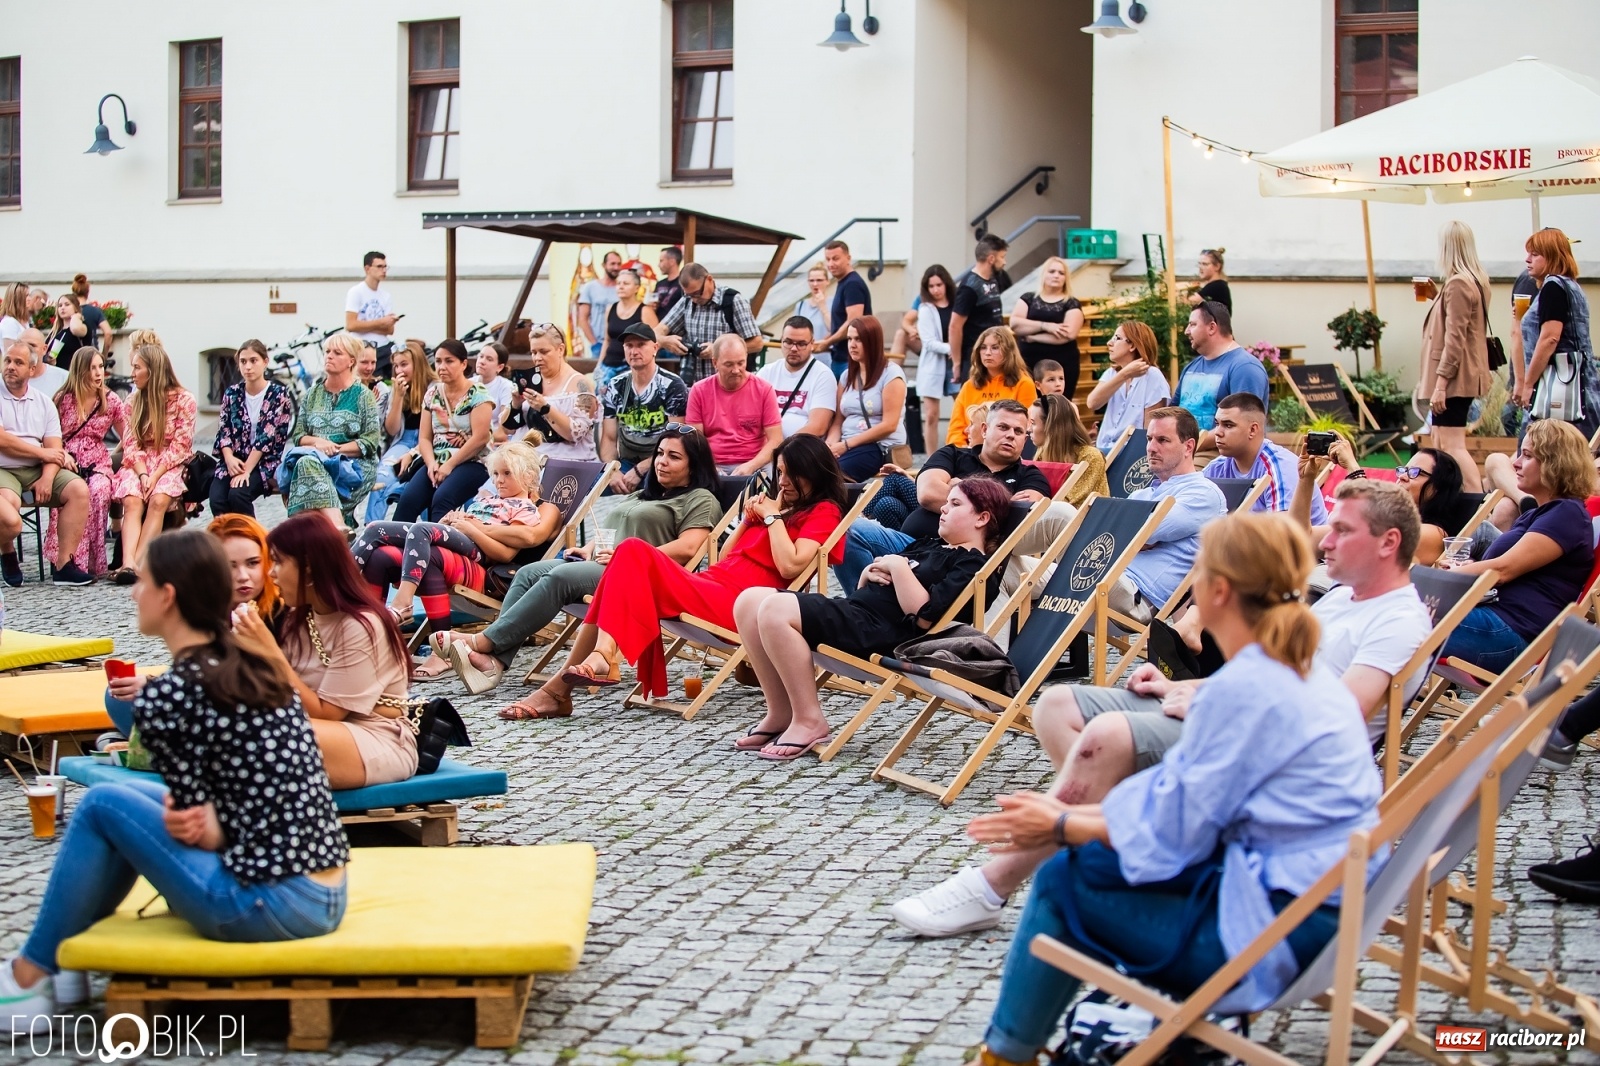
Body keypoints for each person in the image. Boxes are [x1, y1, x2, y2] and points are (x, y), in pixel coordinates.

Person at [929, 514, 1381, 1062]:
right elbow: (1179, 805)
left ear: (1219, 590)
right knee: (1088, 861)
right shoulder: (1291, 672)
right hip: (1319, 909)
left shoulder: (1250, 688)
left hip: (1276, 937)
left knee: (1062, 881)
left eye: (1198, 569)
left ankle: (1004, 1054)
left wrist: (1061, 824)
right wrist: (1072, 823)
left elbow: (1174, 829)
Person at [892, 482, 1427, 940]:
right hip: (1231, 708)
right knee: (1056, 704)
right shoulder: (1340, 597)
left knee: (1108, 735)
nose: (1325, 540)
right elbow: (1268, 671)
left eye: (1342, 531)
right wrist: (1197, 687)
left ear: (1389, 543)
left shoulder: (1397, 619)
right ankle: (1117, 839)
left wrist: (1210, 697)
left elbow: (1342, 712)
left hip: (1268, 746)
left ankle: (993, 885)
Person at [0, 530, 348, 1037]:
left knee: (102, 805)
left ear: (167, 597)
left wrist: (186, 820)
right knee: (124, 802)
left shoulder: (170, 696)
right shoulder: (254, 668)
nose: (132, 593)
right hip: (323, 892)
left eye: (140, 582)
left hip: (267, 906)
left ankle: (30, 973)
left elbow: (198, 831)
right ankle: (65, 960)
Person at [520, 434, 849, 714]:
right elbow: (726, 555)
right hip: (712, 584)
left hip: (743, 605)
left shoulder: (824, 511)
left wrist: (773, 518)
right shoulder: (779, 506)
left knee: (632, 550)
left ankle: (576, 677)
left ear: (814, 474)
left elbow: (791, 565)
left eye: (793, 475)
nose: (783, 482)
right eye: (779, 472)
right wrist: (751, 519)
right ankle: (575, 677)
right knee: (629, 554)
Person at [733, 476, 1012, 761]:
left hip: (890, 635)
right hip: (859, 614)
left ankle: (809, 720)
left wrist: (898, 567)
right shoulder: (929, 545)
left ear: (982, 518)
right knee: (748, 601)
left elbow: (926, 619)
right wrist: (869, 573)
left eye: (955, 504)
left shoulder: (974, 566)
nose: (943, 508)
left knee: (775, 610)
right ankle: (780, 713)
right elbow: (879, 578)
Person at [456, 427, 722, 706]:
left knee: (559, 577)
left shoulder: (700, 499)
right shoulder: (645, 494)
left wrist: (628, 556)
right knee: (527, 573)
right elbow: (612, 530)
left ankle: (485, 642)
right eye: (659, 453)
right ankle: (497, 660)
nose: (661, 461)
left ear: (694, 464)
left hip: (637, 578)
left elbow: (689, 548)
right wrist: (587, 549)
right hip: (602, 565)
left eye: (673, 457)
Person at [231, 513, 416, 789]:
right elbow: (274, 692)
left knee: (264, 733)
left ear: (308, 568)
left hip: (376, 737)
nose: (271, 573)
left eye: (278, 562)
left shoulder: (362, 625)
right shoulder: (299, 618)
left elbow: (328, 713)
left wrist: (269, 653)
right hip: (315, 730)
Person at [355, 441, 561, 674]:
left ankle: (404, 608)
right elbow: (467, 522)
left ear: (528, 475)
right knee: (380, 549)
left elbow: (509, 551)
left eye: (507, 473)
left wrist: (471, 528)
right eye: (495, 474)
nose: (499, 480)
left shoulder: (529, 508)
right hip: (458, 549)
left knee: (420, 532)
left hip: (482, 565)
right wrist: (449, 524)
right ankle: (366, 632)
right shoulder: (488, 500)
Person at [836, 400, 1054, 591]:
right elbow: (928, 494)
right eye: (1003, 427)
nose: (1010, 435)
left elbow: (1018, 520)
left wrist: (955, 488)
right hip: (912, 544)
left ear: (1025, 439)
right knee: (848, 529)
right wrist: (993, 502)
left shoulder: (1031, 476)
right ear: (985, 430)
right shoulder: (953, 454)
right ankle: (862, 606)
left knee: (882, 503)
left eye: (1018, 432)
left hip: (958, 559)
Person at [1438, 419, 1596, 673]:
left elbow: (1503, 570)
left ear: (1555, 464)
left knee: (1396, 615)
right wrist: (1467, 567)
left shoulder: (1567, 514)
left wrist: (1446, 577)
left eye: (1528, 455)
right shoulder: (1538, 514)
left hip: (1508, 634)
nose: (1516, 463)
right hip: (1493, 622)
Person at [1115, 407, 1228, 622]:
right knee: (1028, 568)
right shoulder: (1143, 493)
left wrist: (1133, 537)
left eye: (1163, 440)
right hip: (1101, 576)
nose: (1151, 448)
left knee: (1062, 515)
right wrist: (1132, 537)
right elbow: (1123, 533)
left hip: (1135, 594)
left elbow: (1144, 532)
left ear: (1188, 447)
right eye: (1149, 439)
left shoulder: (1203, 493)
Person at [0, 341, 93, 586]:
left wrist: (48, 478)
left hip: (36, 469)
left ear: (32, 370)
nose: (10, 366)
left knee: (78, 489)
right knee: (10, 518)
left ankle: (64, 565)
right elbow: (3, 441)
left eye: (18, 362)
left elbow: (54, 448)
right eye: (7, 361)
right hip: (3, 469)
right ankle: (7, 552)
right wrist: (43, 455)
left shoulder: (43, 403)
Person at [110, 344, 197, 582]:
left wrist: (156, 474)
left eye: (137, 367)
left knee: (159, 500)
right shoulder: (133, 401)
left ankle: (136, 564)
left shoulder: (184, 399)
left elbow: (181, 445)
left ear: (153, 370)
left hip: (169, 462)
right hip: (139, 462)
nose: (132, 373)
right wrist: (141, 474)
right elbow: (130, 444)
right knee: (132, 500)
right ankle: (127, 563)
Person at [279, 334, 381, 531]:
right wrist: (318, 444)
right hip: (315, 462)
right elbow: (299, 436)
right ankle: (338, 528)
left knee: (306, 466)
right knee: (308, 463)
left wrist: (334, 450)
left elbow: (369, 442)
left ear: (351, 360)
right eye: (327, 352)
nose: (329, 356)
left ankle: (306, 535)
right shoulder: (312, 394)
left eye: (337, 353)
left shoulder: (363, 395)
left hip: (353, 466)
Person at [1419, 221, 1492, 492]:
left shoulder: (1459, 283)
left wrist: (1440, 384)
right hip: (1460, 375)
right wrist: (1437, 297)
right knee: (1441, 442)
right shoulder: (1474, 280)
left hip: (1454, 379)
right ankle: (1460, 499)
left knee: (1452, 445)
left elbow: (1455, 339)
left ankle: (1477, 502)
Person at [392, 339, 493, 523]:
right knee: (408, 500)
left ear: (463, 364)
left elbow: (481, 438)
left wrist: (449, 465)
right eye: (438, 361)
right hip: (437, 460)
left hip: (472, 462)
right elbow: (424, 438)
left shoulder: (478, 393)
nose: (442, 366)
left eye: (449, 361)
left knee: (442, 499)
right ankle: (394, 549)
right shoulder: (432, 394)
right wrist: (431, 464)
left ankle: (439, 549)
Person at [45, 346, 126, 577]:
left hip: (98, 462)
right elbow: (50, 436)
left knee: (100, 492)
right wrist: (62, 455)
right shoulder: (63, 399)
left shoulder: (111, 401)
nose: (99, 373)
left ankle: (92, 563)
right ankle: (68, 560)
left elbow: (128, 438)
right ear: (81, 371)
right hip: (67, 459)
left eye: (101, 367)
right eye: (93, 368)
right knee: (71, 494)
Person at [1515, 227, 1597, 441]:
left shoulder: (1553, 287)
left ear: (1551, 256)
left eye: (1535, 254)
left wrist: (1528, 383)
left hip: (1560, 393)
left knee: (1536, 454)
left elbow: (1550, 338)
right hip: (1582, 390)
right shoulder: (1572, 286)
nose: (1527, 259)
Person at [1205, 392, 1328, 521]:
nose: (1217, 432)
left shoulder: (1279, 467)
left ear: (1252, 430)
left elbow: (1282, 531)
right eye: (1217, 424)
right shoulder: (1217, 466)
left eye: (1228, 425)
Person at [601, 322, 690, 494]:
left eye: (641, 345)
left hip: (663, 464)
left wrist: (640, 469)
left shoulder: (672, 385)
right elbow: (609, 439)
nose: (634, 351)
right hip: (626, 462)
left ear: (655, 348)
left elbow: (678, 440)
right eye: (629, 346)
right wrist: (612, 471)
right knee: (596, 488)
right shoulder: (615, 385)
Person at [210, 340, 295, 519]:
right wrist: (229, 458)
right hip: (234, 459)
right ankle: (226, 543)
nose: (248, 367)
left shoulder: (277, 394)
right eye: (243, 361)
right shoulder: (232, 393)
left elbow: (266, 438)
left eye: (253, 361)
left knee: (238, 494)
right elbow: (224, 430)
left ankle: (253, 541)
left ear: (265, 361)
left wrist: (246, 471)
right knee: (217, 499)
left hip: (263, 462)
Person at [686, 335, 783, 476]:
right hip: (713, 463)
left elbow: (776, 439)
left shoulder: (764, 389)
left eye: (741, 363)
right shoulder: (699, 390)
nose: (736, 370)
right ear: (715, 363)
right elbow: (695, 440)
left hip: (756, 461)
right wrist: (711, 467)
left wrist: (752, 465)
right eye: (729, 364)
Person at [1176, 301, 1270, 448]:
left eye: (1193, 325)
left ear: (1212, 327)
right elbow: (1173, 414)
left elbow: (1242, 426)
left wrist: (1185, 446)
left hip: (1221, 455)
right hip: (1186, 451)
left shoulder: (1244, 367)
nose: (1186, 331)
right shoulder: (1191, 367)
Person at [826, 317, 908, 481]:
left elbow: (889, 425)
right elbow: (837, 422)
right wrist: (828, 446)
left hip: (878, 447)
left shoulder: (891, 374)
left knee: (833, 475)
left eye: (858, 339)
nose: (852, 345)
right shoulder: (846, 376)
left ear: (872, 341)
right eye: (849, 339)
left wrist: (846, 445)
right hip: (846, 445)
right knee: (809, 466)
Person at [655, 263, 763, 385]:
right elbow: (657, 331)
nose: (694, 299)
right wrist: (665, 341)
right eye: (689, 295)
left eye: (698, 293)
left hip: (728, 385)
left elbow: (757, 343)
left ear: (710, 280)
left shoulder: (733, 301)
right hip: (696, 385)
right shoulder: (687, 301)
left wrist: (719, 350)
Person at [368, 340, 435, 522]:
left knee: (423, 484)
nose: (399, 371)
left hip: (431, 443)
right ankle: (371, 528)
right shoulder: (396, 389)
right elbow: (392, 430)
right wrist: (397, 398)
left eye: (404, 365)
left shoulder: (435, 388)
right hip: (404, 440)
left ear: (418, 364)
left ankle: (428, 531)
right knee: (382, 476)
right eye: (396, 366)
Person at [517, 323, 599, 461]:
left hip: (568, 462)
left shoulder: (580, 384)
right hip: (529, 460)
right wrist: (515, 404)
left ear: (560, 349)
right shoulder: (531, 380)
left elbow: (576, 434)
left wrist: (545, 408)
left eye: (544, 351)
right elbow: (507, 430)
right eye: (534, 352)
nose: (537, 358)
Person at [946, 327, 1038, 447]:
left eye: (995, 347)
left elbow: (1025, 428)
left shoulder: (1024, 384)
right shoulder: (969, 386)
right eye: (983, 347)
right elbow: (955, 430)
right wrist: (962, 451)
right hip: (968, 451)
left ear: (1008, 351)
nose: (987, 353)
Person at [1088, 320, 1169, 452]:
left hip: (1131, 453)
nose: (1109, 342)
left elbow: (1151, 429)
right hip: (1102, 449)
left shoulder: (1153, 376)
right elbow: (1092, 403)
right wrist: (1124, 374)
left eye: (1117, 338)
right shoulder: (1111, 373)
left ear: (1132, 346)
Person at [1010, 256, 1085, 392]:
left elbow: (1067, 334)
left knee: (1058, 406)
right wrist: (1046, 326)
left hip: (1061, 364)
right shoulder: (1028, 298)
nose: (1056, 275)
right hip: (1028, 362)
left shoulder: (1071, 303)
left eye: (1061, 273)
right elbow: (1015, 324)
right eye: (1052, 271)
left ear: (1066, 278)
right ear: (1043, 274)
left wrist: (1032, 337)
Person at [757, 316, 837, 438]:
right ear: (781, 341)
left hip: (799, 450)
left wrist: (783, 447)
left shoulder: (823, 375)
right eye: (788, 342)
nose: (794, 349)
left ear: (812, 344)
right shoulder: (766, 372)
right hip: (764, 445)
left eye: (801, 344)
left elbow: (819, 427)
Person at [948, 235, 1008, 388]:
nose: (1004, 262)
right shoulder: (969, 287)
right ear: (991, 258)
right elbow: (955, 326)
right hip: (975, 354)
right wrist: (957, 363)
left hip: (996, 350)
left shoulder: (994, 279)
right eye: (1002, 257)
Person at [1029, 393, 1106, 503]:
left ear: (1050, 426)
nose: (1029, 429)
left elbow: (1069, 505)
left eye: (1033, 423)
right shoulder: (1041, 454)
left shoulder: (1090, 456)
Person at [812, 242, 872, 380]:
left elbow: (853, 322)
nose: (831, 264)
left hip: (850, 360)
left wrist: (827, 343)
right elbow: (839, 325)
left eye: (836, 258)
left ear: (848, 258)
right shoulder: (844, 283)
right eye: (828, 259)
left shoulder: (852, 284)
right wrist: (824, 341)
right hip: (841, 358)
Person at [913, 265, 956, 449]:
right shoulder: (925, 309)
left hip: (956, 363)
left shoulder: (956, 304)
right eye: (931, 286)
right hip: (933, 364)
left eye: (939, 284)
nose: (936, 290)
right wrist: (951, 349)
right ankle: (931, 458)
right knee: (931, 415)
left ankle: (960, 453)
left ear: (946, 284)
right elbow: (928, 342)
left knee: (964, 410)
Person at [597, 268, 657, 391]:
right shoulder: (610, 308)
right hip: (608, 366)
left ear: (636, 288)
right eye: (618, 283)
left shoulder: (645, 311)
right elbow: (607, 340)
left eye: (626, 283)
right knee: (604, 403)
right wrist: (599, 365)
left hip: (631, 367)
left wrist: (644, 367)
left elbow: (655, 342)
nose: (621, 287)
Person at [345, 251, 398, 373]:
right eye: (379, 266)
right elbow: (351, 325)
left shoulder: (386, 296)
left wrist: (364, 325)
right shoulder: (356, 292)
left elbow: (390, 330)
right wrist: (381, 322)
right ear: (367, 269)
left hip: (384, 348)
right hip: (363, 349)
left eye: (385, 267)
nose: (384, 270)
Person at [577, 250, 622, 361]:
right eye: (612, 264)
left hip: (619, 344)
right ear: (604, 265)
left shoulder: (622, 288)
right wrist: (594, 343)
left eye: (619, 264)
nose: (616, 267)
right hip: (599, 344)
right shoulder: (590, 287)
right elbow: (582, 319)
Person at [471, 342, 517, 440]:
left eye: (489, 359)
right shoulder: (469, 383)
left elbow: (503, 431)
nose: (482, 361)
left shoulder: (506, 386)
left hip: (493, 439)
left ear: (499, 367)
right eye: (481, 356)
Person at [44, 294, 93, 366]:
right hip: (58, 373)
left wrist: (76, 316)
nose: (62, 308)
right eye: (60, 305)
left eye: (67, 304)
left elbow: (75, 329)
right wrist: (47, 359)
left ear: (75, 307)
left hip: (75, 373)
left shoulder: (83, 326)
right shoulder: (55, 331)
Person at [70, 274, 113, 353]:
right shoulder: (95, 311)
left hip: (72, 354)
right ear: (87, 292)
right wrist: (104, 355)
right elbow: (108, 333)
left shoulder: (68, 311)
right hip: (91, 353)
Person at [792, 264, 831, 342]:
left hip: (827, 352)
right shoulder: (801, 305)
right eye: (811, 280)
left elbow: (835, 329)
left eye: (819, 280)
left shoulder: (835, 302)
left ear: (827, 281)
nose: (815, 284)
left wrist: (822, 307)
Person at [1188, 247, 1232, 311]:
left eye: (1204, 264)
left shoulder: (1217, 286)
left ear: (1217, 266)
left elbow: (1188, 302)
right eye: (1199, 264)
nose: (1200, 268)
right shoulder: (1217, 285)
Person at [648, 246, 685, 321]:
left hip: (676, 328)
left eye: (661, 261)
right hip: (658, 325)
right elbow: (653, 304)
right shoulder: (659, 284)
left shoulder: (683, 283)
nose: (658, 265)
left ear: (672, 262)